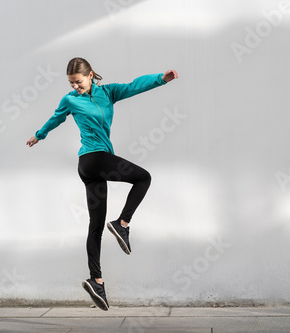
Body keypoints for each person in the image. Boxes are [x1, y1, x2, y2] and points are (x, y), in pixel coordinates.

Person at [26, 57, 178, 311]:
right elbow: (55, 118)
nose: (75, 87)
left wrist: (161, 79)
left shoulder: (109, 92)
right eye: (71, 83)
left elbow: (134, 86)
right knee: (143, 177)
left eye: (78, 82)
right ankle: (123, 223)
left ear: (90, 75)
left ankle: (96, 280)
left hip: (91, 167)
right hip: (92, 159)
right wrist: (39, 136)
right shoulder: (69, 100)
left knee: (95, 224)